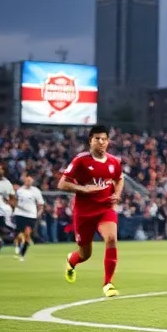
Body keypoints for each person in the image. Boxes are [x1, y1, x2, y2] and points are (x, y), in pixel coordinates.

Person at [59, 125, 124, 296]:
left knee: (111, 238)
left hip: (105, 209)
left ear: (108, 141)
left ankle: (108, 283)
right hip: (84, 213)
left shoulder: (114, 162)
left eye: (104, 139)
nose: (101, 142)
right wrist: (84, 189)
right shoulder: (80, 160)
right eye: (97, 139)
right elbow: (62, 183)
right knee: (84, 254)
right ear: (90, 140)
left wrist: (117, 194)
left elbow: (119, 179)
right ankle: (71, 261)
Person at [13, 174, 47, 260]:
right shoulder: (20, 190)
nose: (29, 182)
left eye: (30, 180)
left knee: (27, 234)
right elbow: (14, 201)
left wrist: (38, 214)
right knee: (19, 234)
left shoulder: (36, 191)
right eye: (27, 180)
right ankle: (17, 244)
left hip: (31, 215)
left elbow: (41, 204)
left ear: (32, 181)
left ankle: (22, 255)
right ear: (24, 181)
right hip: (20, 214)